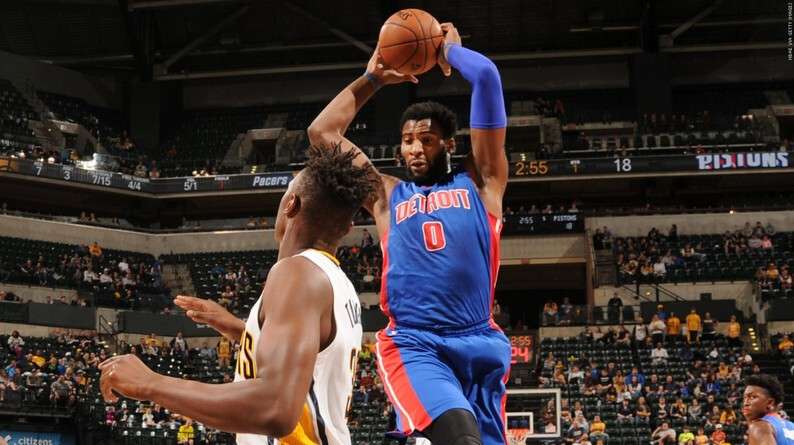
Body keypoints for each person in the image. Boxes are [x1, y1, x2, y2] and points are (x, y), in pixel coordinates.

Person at [307, 21, 510, 445]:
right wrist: (372, 79)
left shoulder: (482, 184)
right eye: (407, 140)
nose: (415, 148)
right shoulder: (386, 195)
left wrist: (449, 53)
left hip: (480, 340)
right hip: (415, 342)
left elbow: (487, 77)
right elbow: (322, 134)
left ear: (448, 144)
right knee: (460, 438)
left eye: (427, 139)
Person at [98, 147, 372, 444]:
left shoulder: (298, 274)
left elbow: (276, 407)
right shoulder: (339, 284)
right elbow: (310, 365)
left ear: (290, 204)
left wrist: (151, 383)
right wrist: (242, 331)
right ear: (347, 227)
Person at [743, 374, 794, 445]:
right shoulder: (792, 426)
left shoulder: (760, 427)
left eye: (752, 397)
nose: (745, 403)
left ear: (770, 402)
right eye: (745, 397)